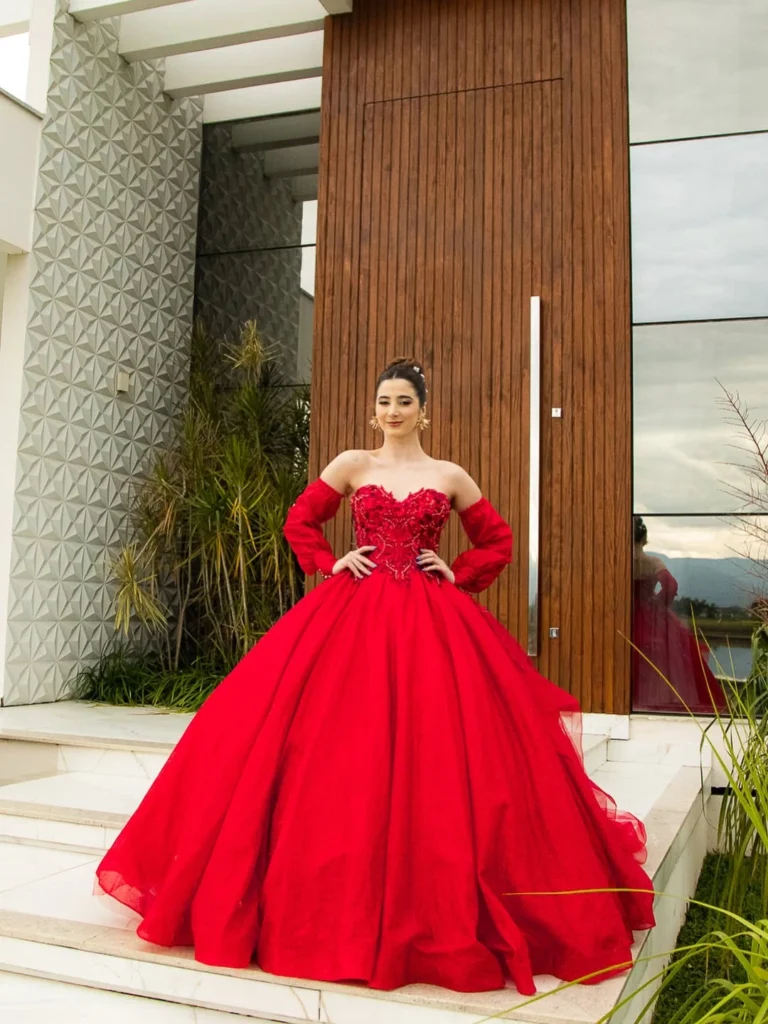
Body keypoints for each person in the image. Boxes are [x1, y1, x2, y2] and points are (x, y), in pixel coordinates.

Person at [97, 357, 655, 996]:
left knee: (443, 746)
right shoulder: (351, 465)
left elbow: (497, 542)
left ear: (424, 410)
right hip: (352, 615)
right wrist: (330, 562)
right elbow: (300, 521)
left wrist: (458, 573)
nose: (393, 411)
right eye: (385, 401)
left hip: (432, 621)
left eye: (404, 401)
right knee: (332, 743)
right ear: (374, 409)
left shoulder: (449, 475)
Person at [632, 516, 727, 714]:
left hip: (629, 617)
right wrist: (657, 606)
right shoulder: (652, 562)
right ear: (644, 539)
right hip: (653, 617)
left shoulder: (623, 562)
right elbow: (671, 585)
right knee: (665, 664)